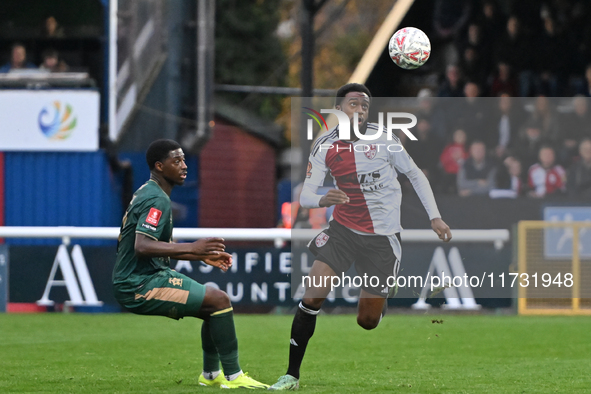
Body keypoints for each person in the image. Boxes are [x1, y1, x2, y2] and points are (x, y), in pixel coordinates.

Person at [268, 84, 452, 390]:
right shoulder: (325, 146)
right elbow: (308, 196)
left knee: (366, 321)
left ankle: (381, 301)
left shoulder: (385, 140)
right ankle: (291, 375)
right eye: (354, 104)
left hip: (383, 238)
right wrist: (323, 200)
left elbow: (415, 175)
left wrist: (435, 216)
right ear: (340, 109)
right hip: (343, 232)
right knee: (311, 298)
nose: (361, 109)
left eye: (365, 105)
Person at [112, 139, 268, 389]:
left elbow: (156, 246)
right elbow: (142, 246)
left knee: (212, 306)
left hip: (145, 276)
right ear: (159, 166)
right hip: (138, 284)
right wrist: (193, 247)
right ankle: (233, 376)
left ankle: (210, 375)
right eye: (177, 161)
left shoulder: (150, 191)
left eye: (184, 159)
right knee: (219, 300)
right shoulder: (156, 199)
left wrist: (200, 256)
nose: (184, 166)